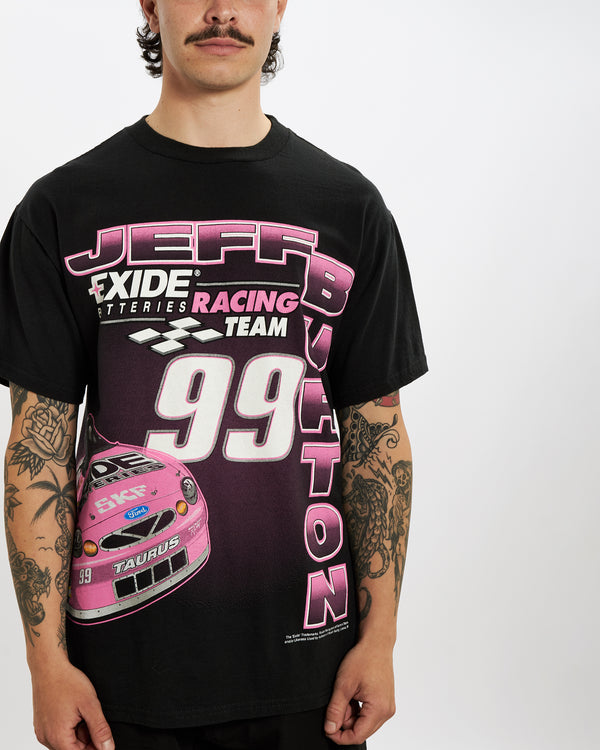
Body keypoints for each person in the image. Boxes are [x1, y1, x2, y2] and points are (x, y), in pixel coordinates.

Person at [0, 1, 427, 749]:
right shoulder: (61, 209)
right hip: (121, 682)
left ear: (281, 5)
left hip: (311, 673)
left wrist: (380, 638)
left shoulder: (349, 207)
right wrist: (46, 664)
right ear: (149, 4)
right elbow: (38, 450)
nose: (222, 10)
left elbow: (376, 438)